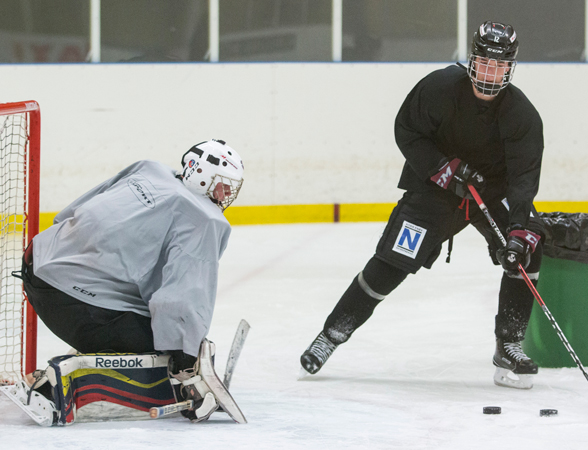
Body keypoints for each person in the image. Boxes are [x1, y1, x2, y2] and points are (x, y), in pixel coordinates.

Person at [300, 21, 547, 389]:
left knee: (526, 249)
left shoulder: (522, 115)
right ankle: (331, 335)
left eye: (498, 66)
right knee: (391, 263)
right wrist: (443, 169)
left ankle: (508, 346)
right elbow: (407, 129)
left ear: (510, 69)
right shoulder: (439, 88)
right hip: (436, 189)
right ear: (472, 60)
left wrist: (518, 229)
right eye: (484, 63)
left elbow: (523, 178)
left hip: (491, 193)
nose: (489, 74)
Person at [18, 139, 244, 421]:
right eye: (223, 185)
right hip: (73, 300)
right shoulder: (205, 218)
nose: (226, 194)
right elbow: (181, 299)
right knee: (165, 343)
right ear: (203, 178)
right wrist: (185, 364)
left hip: (39, 263)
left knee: (143, 314)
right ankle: (59, 383)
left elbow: (72, 211)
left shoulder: (149, 169)